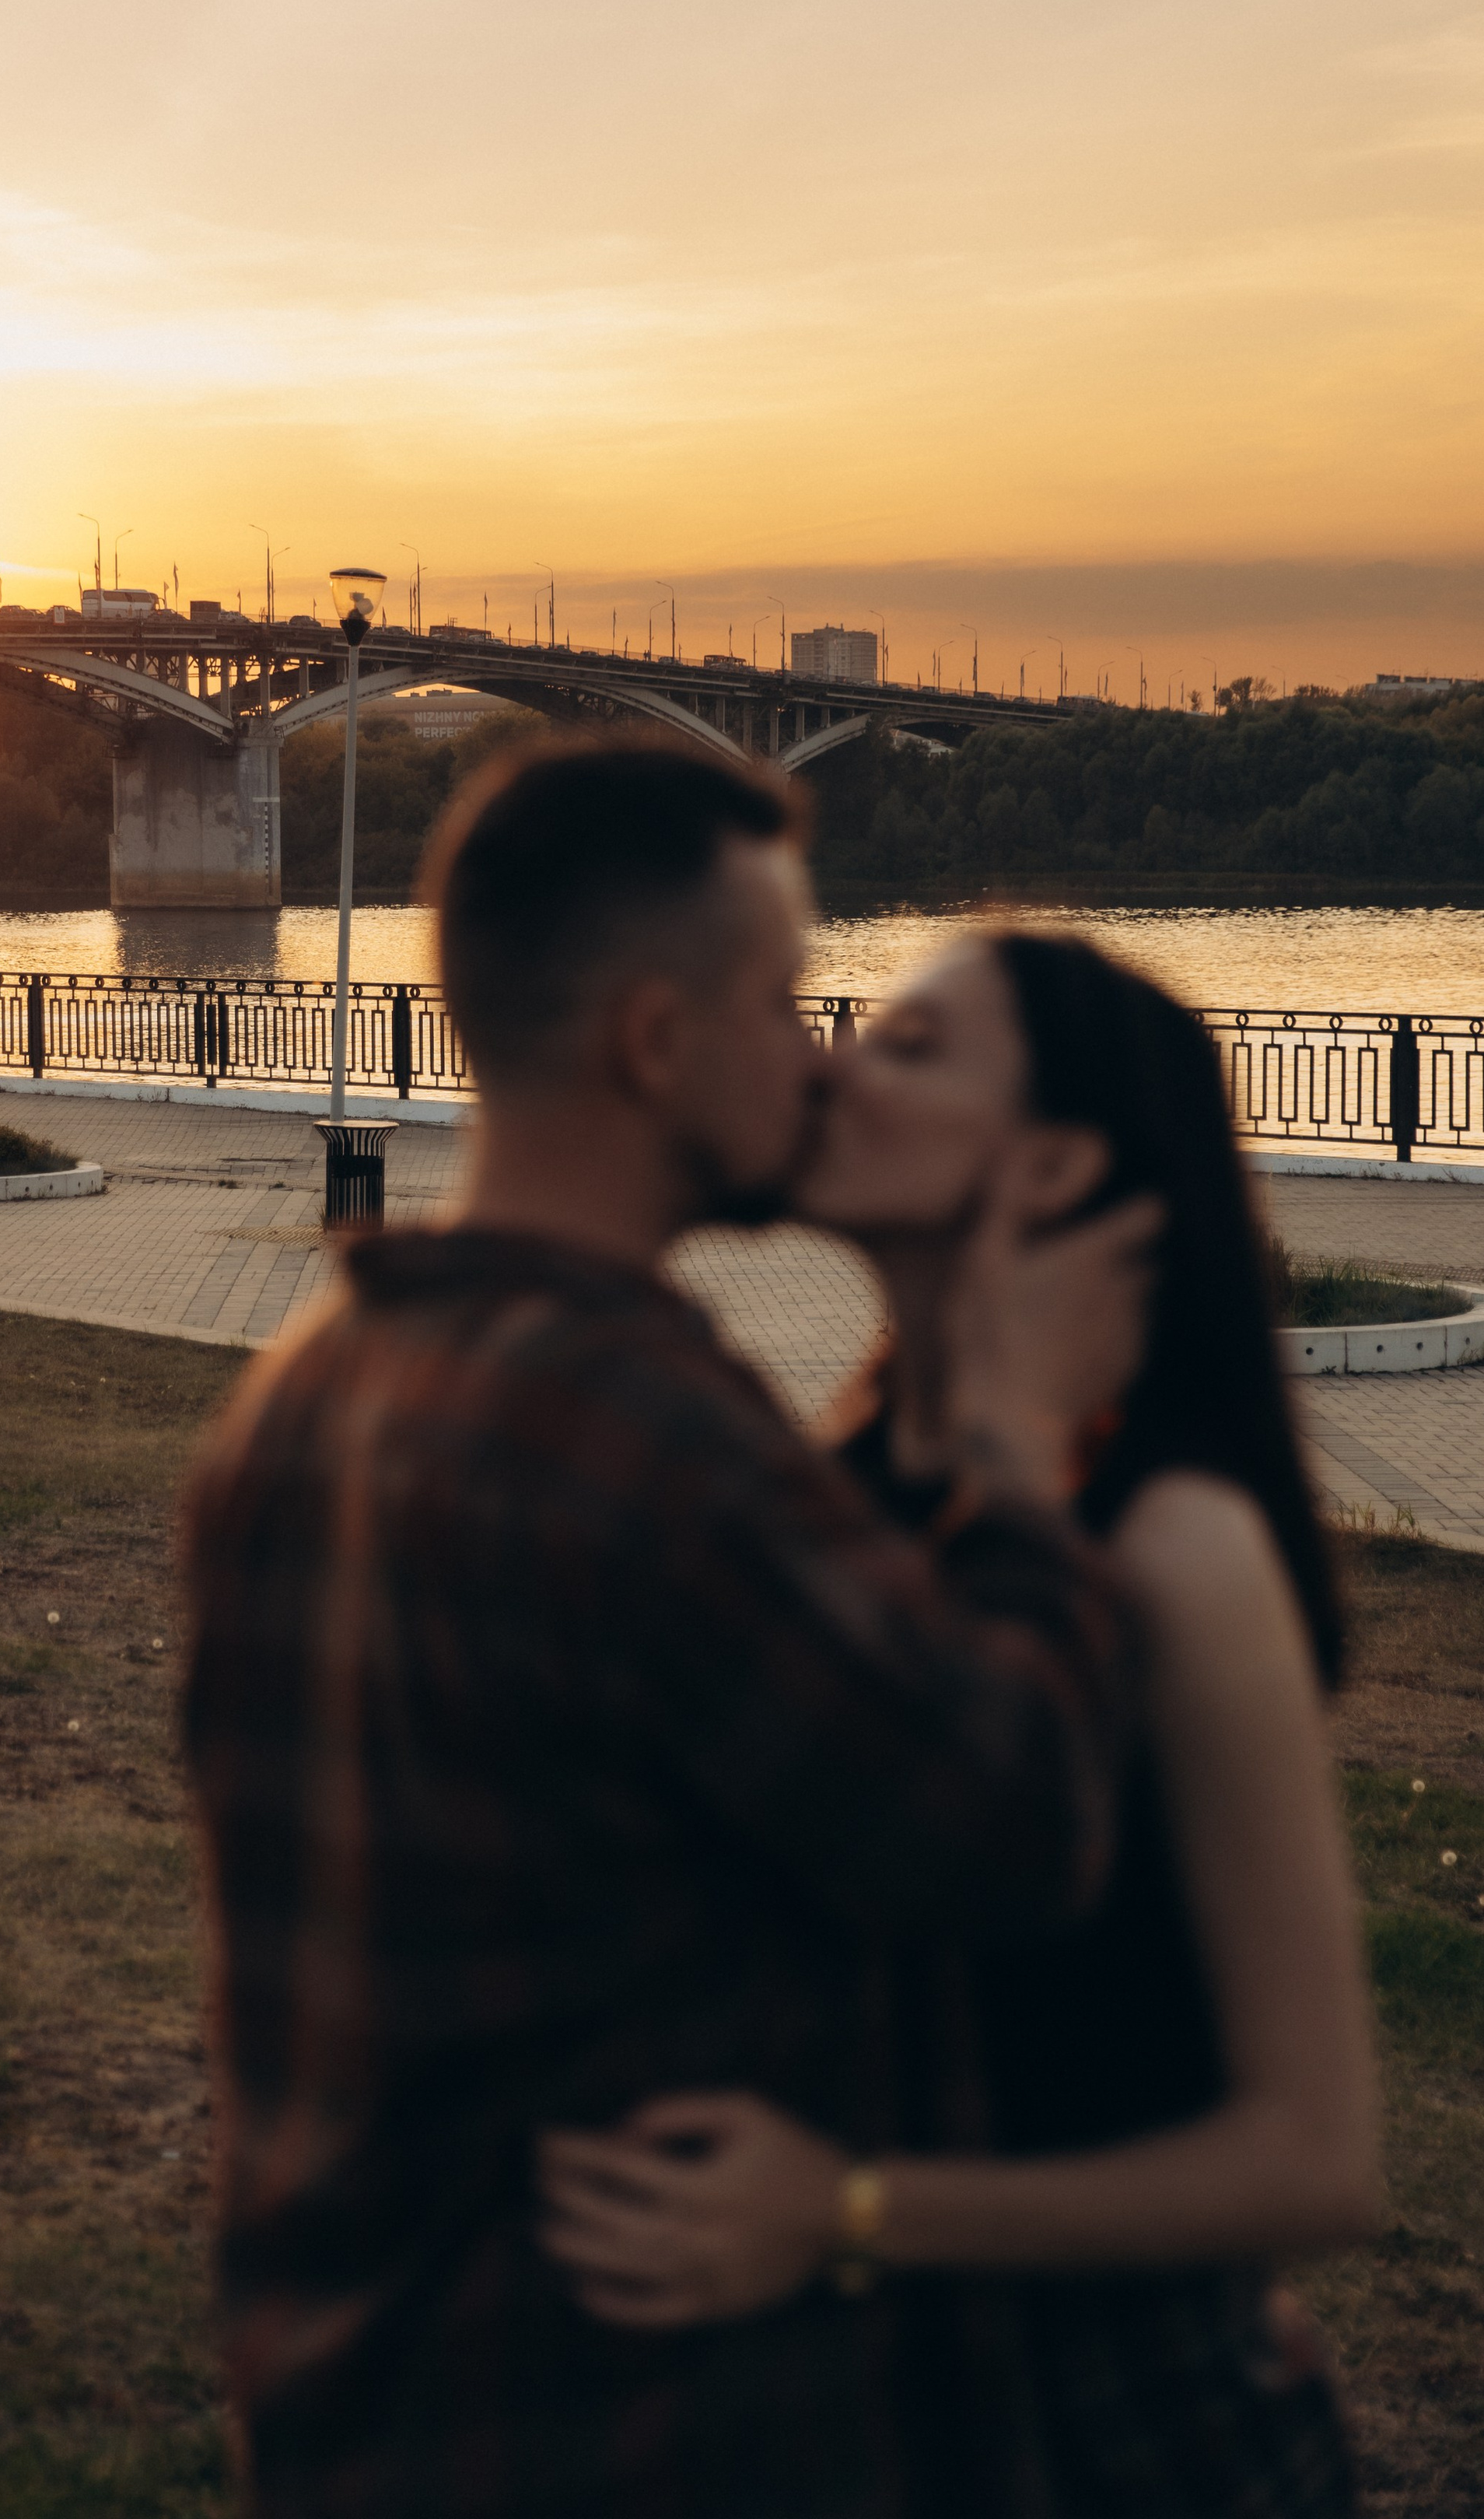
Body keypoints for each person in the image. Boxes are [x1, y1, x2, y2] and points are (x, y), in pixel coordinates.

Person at [184, 747, 1161, 2519]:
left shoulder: (298, 1396)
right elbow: (1007, 1820)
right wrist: (1017, 1457)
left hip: (349, 2409)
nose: (814, 1060)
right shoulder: (631, 1433)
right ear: (651, 1041)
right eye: (781, 1005)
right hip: (617, 2433)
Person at [540, 931, 1382, 2518]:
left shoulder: (1168, 1543)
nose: (832, 1064)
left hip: (1114, 2436)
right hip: (853, 2420)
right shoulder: (834, 1484)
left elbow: (1311, 2155)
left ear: (1052, 1160)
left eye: (910, 1049)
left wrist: (846, 2213)